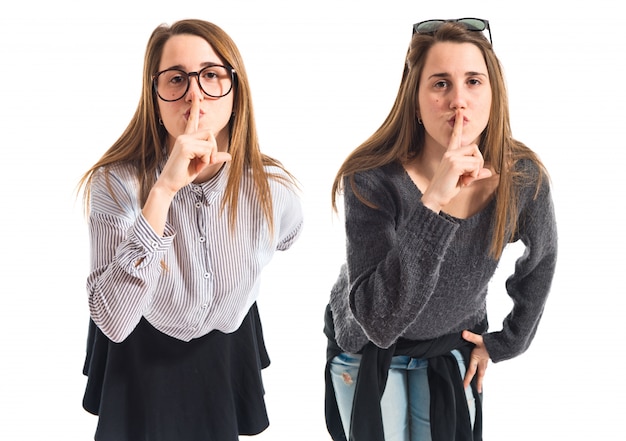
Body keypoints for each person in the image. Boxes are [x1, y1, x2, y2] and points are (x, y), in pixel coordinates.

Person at [323, 18, 557, 441]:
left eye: (473, 81)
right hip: (367, 350)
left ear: (493, 93)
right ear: (415, 100)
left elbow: (541, 260)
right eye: (440, 84)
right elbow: (379, 319)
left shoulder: (523, 177)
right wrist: (434, 202)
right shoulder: (371, 178)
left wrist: (507, 342)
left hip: (450, 347)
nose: (459, 101)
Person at [78, 19, 303, 441]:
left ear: (235, 94)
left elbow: (291, 234)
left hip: (226, 342)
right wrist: (163, 192)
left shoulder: (271, 187)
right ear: (155, 96)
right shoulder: (115, 183)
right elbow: (112, 319)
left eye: (211, 76)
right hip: (142, 344)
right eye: (177, 79)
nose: (195, 94)